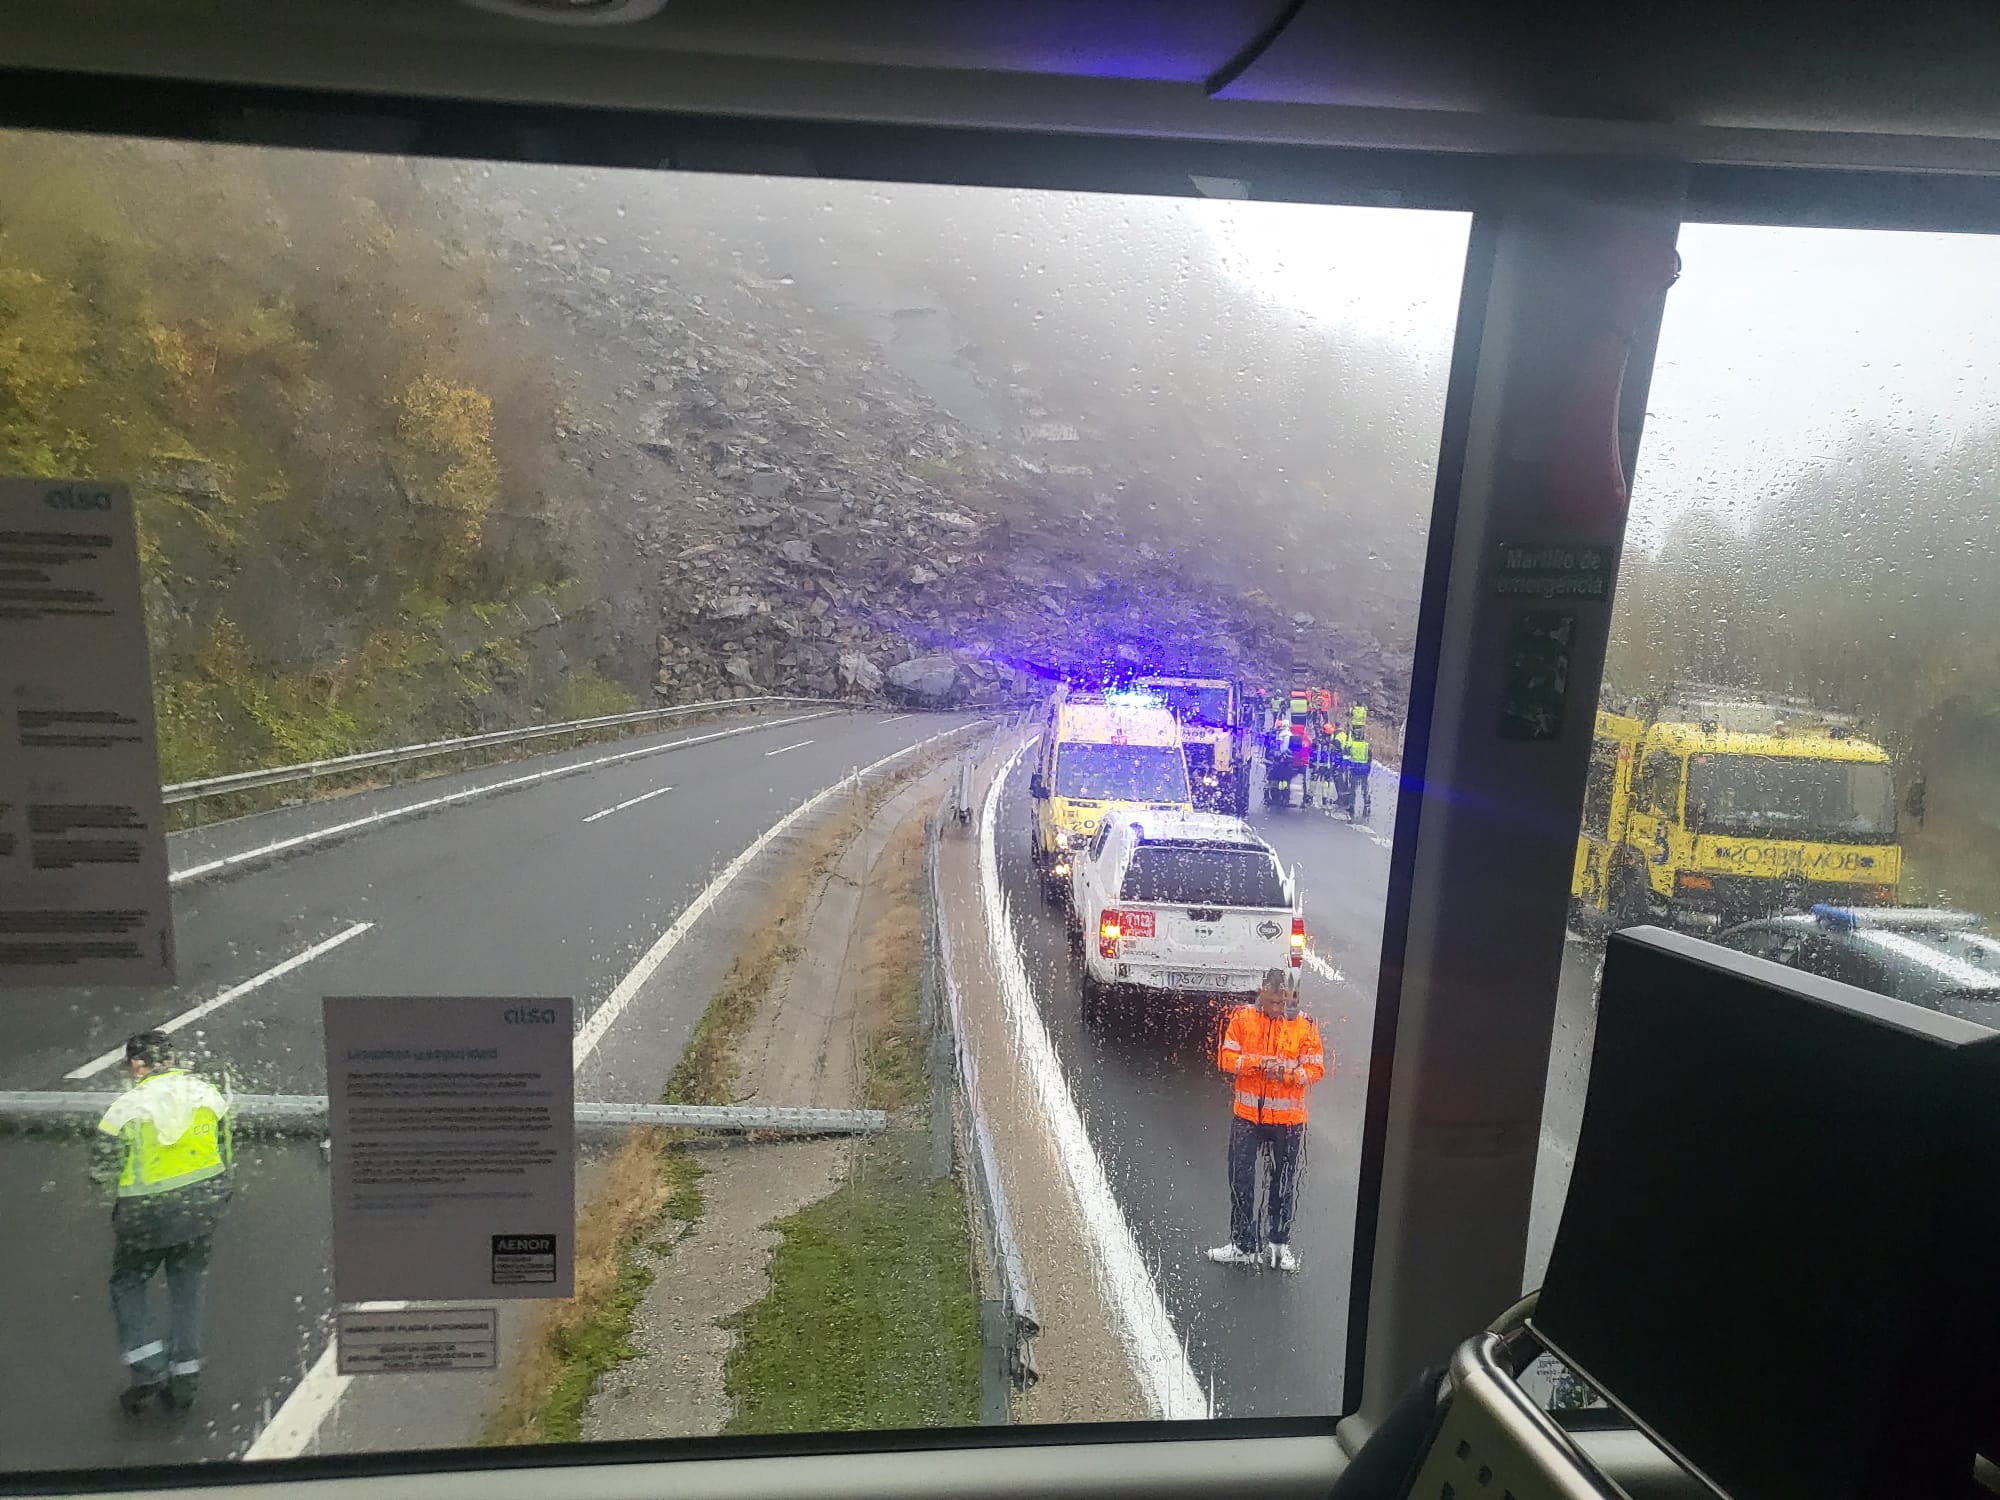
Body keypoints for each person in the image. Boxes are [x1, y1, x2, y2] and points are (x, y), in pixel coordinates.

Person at [92, 1032, 234, 1413]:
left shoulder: (123, 1110)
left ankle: (147, 1366)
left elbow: (102, 1171)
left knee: (128, 1282)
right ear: (171, 1060)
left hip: (144, 1215)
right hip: (201, 1207)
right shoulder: (209, 1096)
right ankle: (185, 1380)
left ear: (137, 1065)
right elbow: (226, 1153)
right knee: (188, 1286)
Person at [1207, 970, 1330, 1272]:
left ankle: (1278, 1248)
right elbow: (1226, 1059)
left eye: (1282, 1002)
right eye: (1272, 1001)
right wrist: (1259, 1063)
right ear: (1261, 992)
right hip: (1248, 1116)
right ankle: (1243, 1246)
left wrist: (1287, 1074)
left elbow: (1315, 1069)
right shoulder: (1242, 1019)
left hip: (1288, 1120)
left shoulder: (1305, 1024)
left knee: (1283, 1184)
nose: (1277, 1008)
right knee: (1241, 1180)